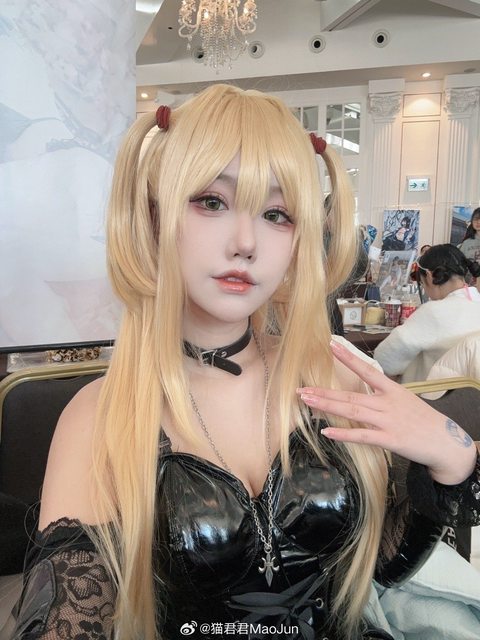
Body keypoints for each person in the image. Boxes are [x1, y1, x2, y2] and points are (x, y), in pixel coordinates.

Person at [12, 86, 480, 640]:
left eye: (277, 214)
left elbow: (372, 569)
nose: (246, 242)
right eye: (212, 202)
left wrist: (451, 463)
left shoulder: (330, 377)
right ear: (155, 216)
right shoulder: (100, 417)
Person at [374, 243, 480, 383]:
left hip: (428, 393)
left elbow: (385, 359)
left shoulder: (434, 312)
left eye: (422, 283)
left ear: (429, 276)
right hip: (470, 393)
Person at [458, 208, 480, 288]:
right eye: (476, 219)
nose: (478, 222)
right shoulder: (466, 243)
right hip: (470, 287)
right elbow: (459, 264)